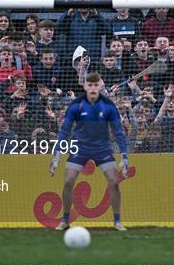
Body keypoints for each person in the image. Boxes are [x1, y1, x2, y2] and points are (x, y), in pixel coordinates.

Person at [50, 72, 129, 231]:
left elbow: (119, 133)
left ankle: (117, 221)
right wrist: (56, 155)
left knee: (114, 181)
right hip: (81, 148)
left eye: (96, 85)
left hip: (102, 148)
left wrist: (125, 157)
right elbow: (64, 131)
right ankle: (65, 220)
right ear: (85, 86)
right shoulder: (76, 105)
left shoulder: (108, 106)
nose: (93, 88)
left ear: (101, 86)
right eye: (90, 85)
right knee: (68, 181)